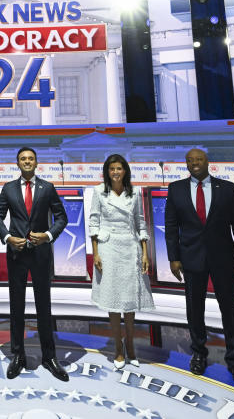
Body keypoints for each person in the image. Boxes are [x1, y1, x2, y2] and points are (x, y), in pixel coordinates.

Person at [164, 148, 234, 386]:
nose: (194, 163)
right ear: (186, 164)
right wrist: (173, 258)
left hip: (224, 259)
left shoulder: (228, 188)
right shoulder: (176, 189)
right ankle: (199, 354)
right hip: (191, 258)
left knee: (230, 311)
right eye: (190, 160)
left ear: (207, 162)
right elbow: (171, 228)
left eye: (199, 159)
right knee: (195, 309)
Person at [0, 147, 69, 381]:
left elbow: (62, 217)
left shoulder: (48, 187)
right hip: (16, 254)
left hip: (41, 254)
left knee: (43, 307)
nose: (27, 162)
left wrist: (48, 235)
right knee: (16, 307)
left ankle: (49, 357)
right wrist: (7, 237)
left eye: (31, 159)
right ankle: (18, 356)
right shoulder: (8, 188)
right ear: (18, 163)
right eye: (23, 159)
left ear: (36, 163)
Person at [89, 153, 154, 369]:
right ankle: (118, 348)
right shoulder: (99, 191)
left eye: (119, 168)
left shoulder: (134, 192)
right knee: (113, 301)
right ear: (107, 172)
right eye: (112, 169)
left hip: (130, 247)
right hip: (108, 249)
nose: (116, 172)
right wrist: (95, 253)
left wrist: (145, 253)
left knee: (129, 301)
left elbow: (140, 222)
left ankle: (131, 347)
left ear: (125, 170)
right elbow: (94, 222)